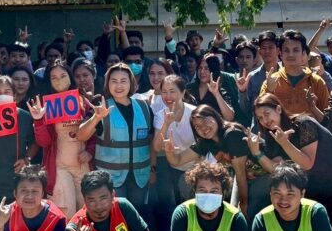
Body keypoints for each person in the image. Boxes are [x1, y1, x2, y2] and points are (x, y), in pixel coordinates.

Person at [251, 93, 332, 231]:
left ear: (279, 109)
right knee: (322, 230)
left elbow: (307, 163)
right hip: (315, 184)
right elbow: (276, 169)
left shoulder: (303, 124)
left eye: (266, 114)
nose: (264, 120)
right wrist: (257, 153)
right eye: (260, 118)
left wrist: (285, 143)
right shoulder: (272, 136)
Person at [76, 64, 154, 213]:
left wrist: (153, 169)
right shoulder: (101, 106)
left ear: (131, 83)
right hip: (111, 178)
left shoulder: (144, 107)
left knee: (138, 215)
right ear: (107, 83)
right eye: (114, 81)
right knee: (116, 215)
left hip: (140, 176)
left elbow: (150, 140)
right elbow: (81, 135)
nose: (119, 86)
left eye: (123, 81)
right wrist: (96, 118)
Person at [30, 61, 95, 218]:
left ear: (70, 77)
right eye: (54, 77)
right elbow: (44, 142)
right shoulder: (44, 106)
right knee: (66, 211)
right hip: (59, 167)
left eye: (63, 75)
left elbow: (94, 133)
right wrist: (38, 120)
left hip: (83, 165)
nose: (59, 80)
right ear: (49, 81)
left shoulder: (83, 101)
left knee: (87, 210)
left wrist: (90, 151)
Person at [163, 105, 251, 212]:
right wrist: (169, 151)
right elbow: (177, 161)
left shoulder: (232, 134)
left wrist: (243, 205)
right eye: (197, 127)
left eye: (205, 121)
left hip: (260, 175)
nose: (203, 128)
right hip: (243, 180)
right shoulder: (205, 142)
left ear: (215, 117)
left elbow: (241, 174)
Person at [0, 76, 38, 212]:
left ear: (14, 96)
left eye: (7, 92)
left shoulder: (25, 116)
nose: (2, 95)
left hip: (17, 182)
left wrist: (26, 159)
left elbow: (35, 143)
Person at [258, 30, 329, 119]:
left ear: (303, 53)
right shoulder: (271, 81)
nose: (291, 54)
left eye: (296, 50)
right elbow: (261, 115)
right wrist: (270, 91)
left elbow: (327, 120)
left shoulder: (317, 82)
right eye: (286, 50)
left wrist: (313, 107)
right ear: (280, 53)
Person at [152, 75, 200, 204]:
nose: (168, 96)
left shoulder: (195, 113)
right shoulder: (160, 115)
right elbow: (156, 147)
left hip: (197, 167)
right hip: (174, 167)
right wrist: (166, 124)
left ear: (183, 93)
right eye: (164, 92)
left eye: (172, 91)